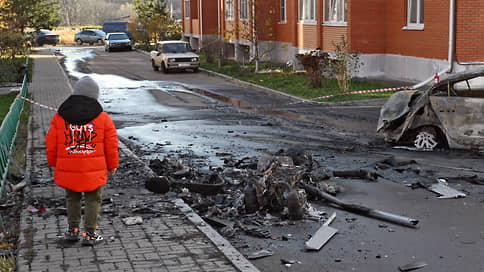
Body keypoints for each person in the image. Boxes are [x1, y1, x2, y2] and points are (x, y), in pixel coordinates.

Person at [46, 76, 119, 246]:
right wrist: (113, 165)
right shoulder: (103, 118)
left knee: (72, 199)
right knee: (93, 199)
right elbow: (111, 145)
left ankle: (73, 231)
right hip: (94, 169)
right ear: (95, 96)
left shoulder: (60, 117)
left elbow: (50, 142)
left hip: (68, 168)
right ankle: (90, 234)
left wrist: (53, 162)